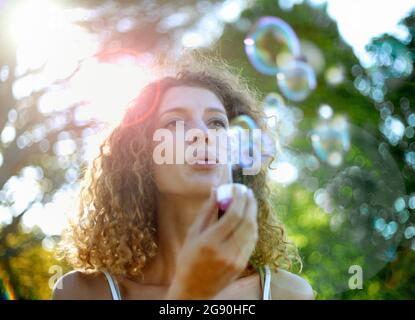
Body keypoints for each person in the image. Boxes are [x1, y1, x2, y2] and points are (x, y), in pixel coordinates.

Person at [52, 50, 315, 300]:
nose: (203, 133)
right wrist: (193, 291)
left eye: (216, 123)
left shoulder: (288, 293)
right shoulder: (83, 291)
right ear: (142, 158)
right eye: (175, 123)